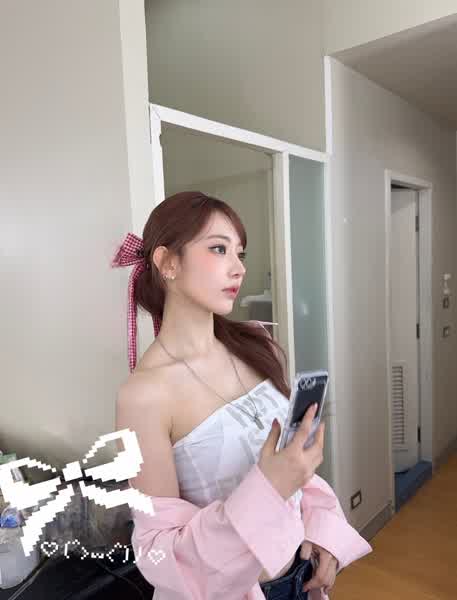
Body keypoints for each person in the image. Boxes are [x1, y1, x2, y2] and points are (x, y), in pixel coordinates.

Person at [113, 191, 372, 600]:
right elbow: (158, 552)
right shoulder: (143, 396)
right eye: (219, 249)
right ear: (168, 263)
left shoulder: (255, 343)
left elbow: (293, 474)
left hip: (303, 576)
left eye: (241, 253)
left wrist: (323, 530)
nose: (239, 268)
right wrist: (268, 487)